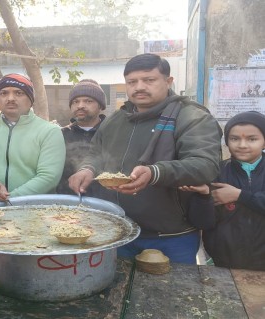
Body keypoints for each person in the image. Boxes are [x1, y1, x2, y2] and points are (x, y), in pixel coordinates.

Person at [68, 53, 222, 264]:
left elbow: (205, 165)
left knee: (169, 293)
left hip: (170, 237)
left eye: (149, 80)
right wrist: (86, 169)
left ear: (168, 82)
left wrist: (155, 172)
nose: (139, 87)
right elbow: (95, 152)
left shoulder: (191, 116)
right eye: (132, 82)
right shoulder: (117, 119)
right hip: (118, 231)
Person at [0, 73, 66, 207]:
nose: (10, 98)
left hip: (35, 212)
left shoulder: (49, 131)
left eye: (18, 93)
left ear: (30, 99)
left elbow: (49, 177)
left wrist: (10, 201)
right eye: (3, 93)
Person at [181, 111, 265, 270]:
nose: (242, 145)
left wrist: (240, 196)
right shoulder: (215, 172)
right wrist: (204, 196)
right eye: (234, 138)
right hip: (224, 262)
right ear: (226, 141)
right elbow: (203, 223)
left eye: (252, 139)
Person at [57, 79, 107, 196]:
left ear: (100, 105)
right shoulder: (60, 135)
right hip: (66, 202)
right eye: (75, 101)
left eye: (88, 101)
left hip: (106, 202)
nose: (80, 106)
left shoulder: (112, 133)